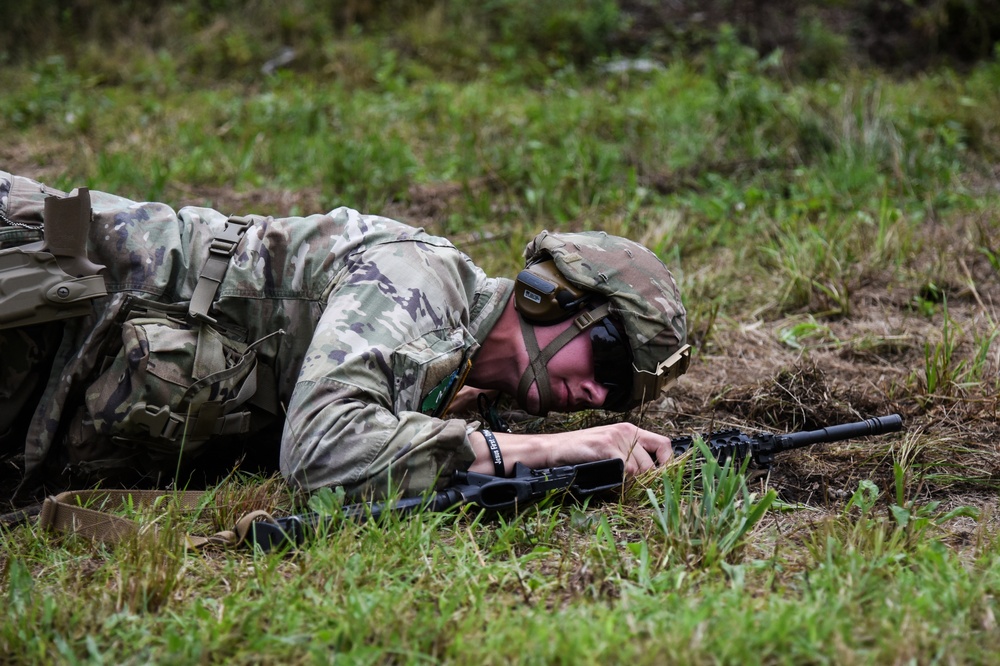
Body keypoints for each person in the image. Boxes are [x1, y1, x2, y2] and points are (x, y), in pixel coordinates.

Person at [0, 169, 689, 503]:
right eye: (606, 354)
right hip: (38, 289)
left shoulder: (450, 384)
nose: (596, 391)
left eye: (618, 392)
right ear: (553, 294)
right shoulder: (420, 279)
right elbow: (321, 449)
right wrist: (548, 449)